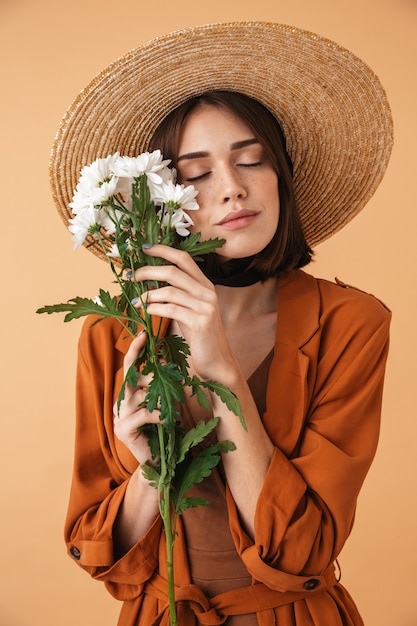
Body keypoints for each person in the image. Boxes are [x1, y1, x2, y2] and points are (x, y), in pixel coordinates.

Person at [50, 22, 393, 626]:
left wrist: (222, 372)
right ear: (162, 201)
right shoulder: (115, 334)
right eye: (198, 175)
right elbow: (100, 549)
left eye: (251, 160)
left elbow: (303, 550)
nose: (233, 189)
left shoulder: (351, 323)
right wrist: (153, 470)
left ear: (281, 173)